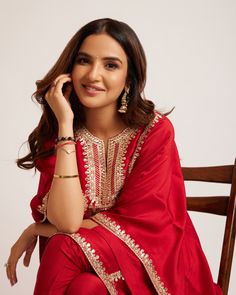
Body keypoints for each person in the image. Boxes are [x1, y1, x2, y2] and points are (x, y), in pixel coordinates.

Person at [5, 18, 223, 295]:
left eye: (110, 65)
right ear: (70, 68)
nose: (93, 75)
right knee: (85, 287)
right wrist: (64, 126)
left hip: (154, 262)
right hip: (90, 268)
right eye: (84, 60)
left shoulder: (154, 132)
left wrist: (35, 229)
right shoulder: (60, 135)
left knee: (65, 245)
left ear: (129, 77)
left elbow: (144, 222)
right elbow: (68, 222)